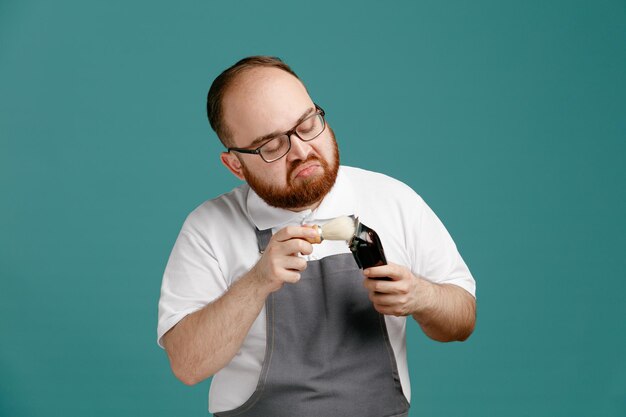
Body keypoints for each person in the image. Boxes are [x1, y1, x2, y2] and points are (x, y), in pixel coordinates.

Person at [157, 56, 476, 417]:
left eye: (307, 124)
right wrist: (257, 282)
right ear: (236, 165)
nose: (301, 150)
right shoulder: (208, 228)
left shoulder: (393, 199)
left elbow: (462, 319)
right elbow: (187, 365)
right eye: (272, 145)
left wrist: (422, 295)